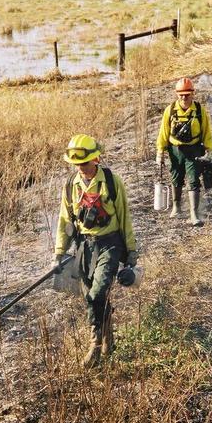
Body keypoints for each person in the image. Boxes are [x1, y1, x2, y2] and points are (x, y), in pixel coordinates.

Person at [52, 134, 138, 368]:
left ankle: (95, 346)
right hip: (84, 248)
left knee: (97, 294)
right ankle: (109, 340)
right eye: (76, 164)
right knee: (91, 297)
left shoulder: (112, 181)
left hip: (110, 245)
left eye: (84, 162)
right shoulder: (70, 186)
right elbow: (64, 221)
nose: (81, 167)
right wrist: (59, 253)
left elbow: (125, 217)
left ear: (95, 159)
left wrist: (131, 252)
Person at [155, 77, 212, 226]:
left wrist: (209, 150)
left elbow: (206, 132)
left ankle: (194, 214)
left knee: (193, 180)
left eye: (187, 94)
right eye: (181, 94)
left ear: (193, 93)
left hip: (194, 150)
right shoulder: (170, 110)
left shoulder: (199, 110)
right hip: (175, 150)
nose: (184, 97)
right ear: (177, 94)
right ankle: (176, 207)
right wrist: (160, 152)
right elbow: (163, 133)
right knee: (176, 178)